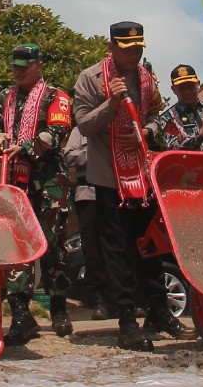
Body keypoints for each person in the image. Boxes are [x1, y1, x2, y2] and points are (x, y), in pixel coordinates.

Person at [72, 21, 179, 351]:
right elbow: (84, 124)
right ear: (111, 47)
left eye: (138, 49)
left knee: (150, 247)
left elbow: (158, 116)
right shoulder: (90, 79)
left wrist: (146, 132)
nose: (134, 54)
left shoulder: (147, 79)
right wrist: (112, 105)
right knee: (116, 252)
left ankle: (159, 311)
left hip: (142, 178)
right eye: (127, 49)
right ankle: (127, 322)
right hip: (108, 179)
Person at [0, 43, 76, 342]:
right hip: (15, 181)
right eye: (15, 65)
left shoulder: (56, 96)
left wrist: (24, 147)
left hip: (50, 180)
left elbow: (56, 134)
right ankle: (22, 317)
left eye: (24, 66)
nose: (18, 71)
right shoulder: (5, 97)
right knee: (17, 248)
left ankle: (59, 309)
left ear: (39, 65)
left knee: (53, 247)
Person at [62, 128, 112, 318]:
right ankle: (99, 300)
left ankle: (126, 299)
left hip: (114, 189)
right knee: (92, 249)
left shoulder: (114, 124)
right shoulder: (80, 130)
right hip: (88, 193)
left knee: (117, 245)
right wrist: (97, 154)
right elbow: (69, 157)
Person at [149, 64, 203, 151]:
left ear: (198, 85)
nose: (187, 92)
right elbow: (173, 149)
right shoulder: (168, 118)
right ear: (173, 90)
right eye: (182, 88)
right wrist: (201, 134)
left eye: (190, 86)